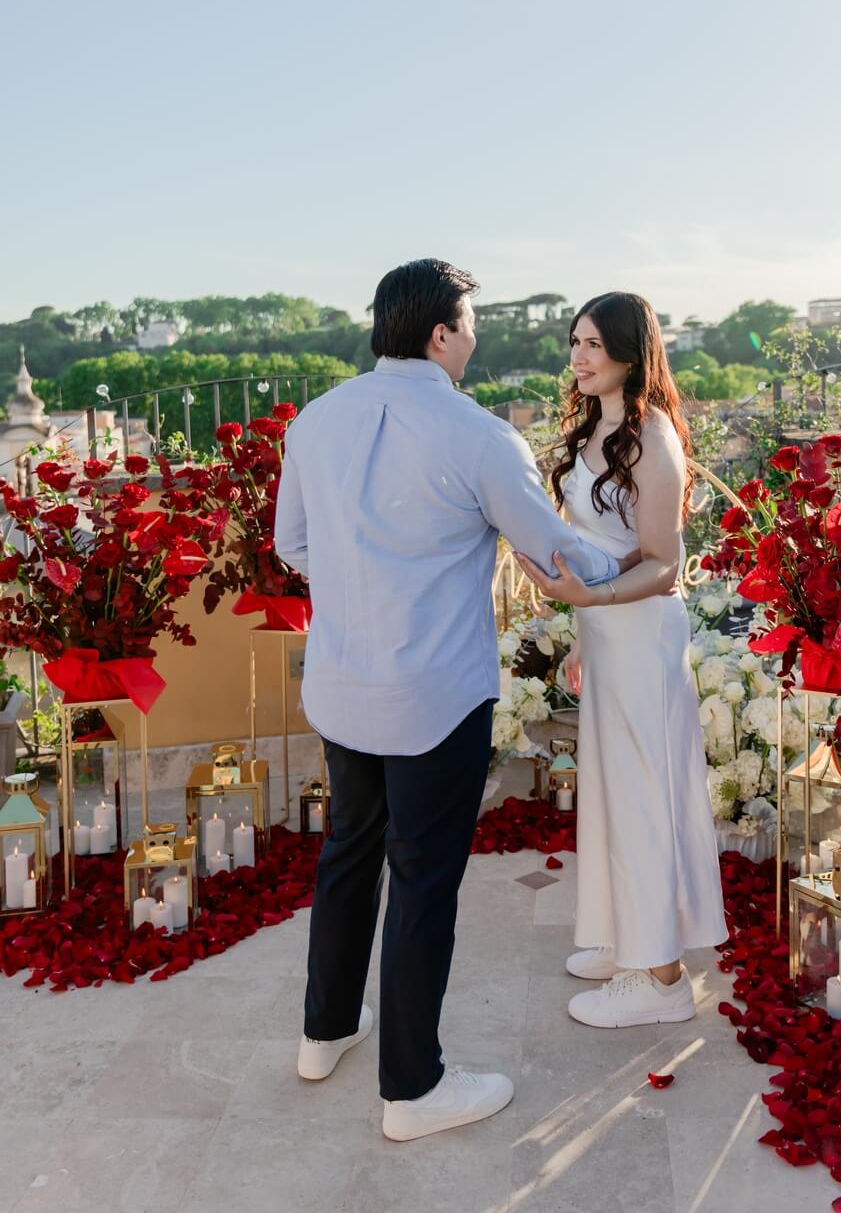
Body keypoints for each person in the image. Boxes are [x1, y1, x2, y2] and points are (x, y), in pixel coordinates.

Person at [274, 259, 631, 1142]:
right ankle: (412, 1087)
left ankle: (324, 1033)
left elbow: (292, 542)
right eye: (469, 323)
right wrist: (637, 568)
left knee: (348, 854)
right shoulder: (475, 434)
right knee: (424, 878)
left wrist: (364, 580)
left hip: (344, 682)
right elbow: (551, 551)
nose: (474, 337)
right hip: (433, 690)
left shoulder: (315, 423)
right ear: (440, 334)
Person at [517, 292, 727, 1029]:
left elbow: (663, 565)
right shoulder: (594, 430)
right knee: (610, 790)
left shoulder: (651, 436)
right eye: (573, 342)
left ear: (630, 355)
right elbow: (601, 555)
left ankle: (661, 977)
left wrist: (594, 607)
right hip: (606, 634)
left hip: (641, 633)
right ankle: (628, 941)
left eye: (593, 345)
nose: (577, 356)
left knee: (641, 793)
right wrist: (581, 629)